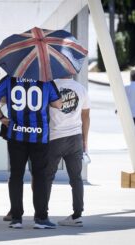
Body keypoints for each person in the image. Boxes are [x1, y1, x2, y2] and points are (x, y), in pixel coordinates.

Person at [0, 75, 62, 229]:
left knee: (16, 176)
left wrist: (1, 117)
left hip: (16, 134)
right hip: (39, 135)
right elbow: (58, 104)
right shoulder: (46, 79)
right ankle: (41, 219)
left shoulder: (10, 79)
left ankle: (16, 218)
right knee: (40, 175)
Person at [46, 76, 90, 227]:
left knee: (47, 177)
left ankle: (42, 214)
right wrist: (85, 140)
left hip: (54, 138)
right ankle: (77, 215)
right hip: (75, 138)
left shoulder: (50, 87)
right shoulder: (81, 88)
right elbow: (86, 116)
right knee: (76, 178)